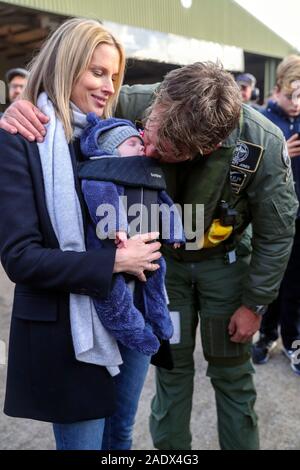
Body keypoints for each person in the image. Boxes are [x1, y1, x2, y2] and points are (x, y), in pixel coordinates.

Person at [0, 62, 298, 451]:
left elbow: (277, 233)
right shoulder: (130, 101)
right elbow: (62, 111)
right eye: (148, 135)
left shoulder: (263, 143)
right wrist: (22, 107)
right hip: (156, 265)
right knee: (170, 370)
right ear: (158, 101)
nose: (149, 151)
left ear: (205, 149)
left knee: (231, 373)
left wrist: (254, 304)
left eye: (169, 152)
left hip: (221, 264)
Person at [0, 18, 162, 451]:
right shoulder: (22, 137)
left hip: (130, 314)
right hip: (67, 332)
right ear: (65, 65)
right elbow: (20, 257)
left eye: (114, 75)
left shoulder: (112, 135)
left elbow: (181, 102)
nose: (109, 86)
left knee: (121, 437)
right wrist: (113, 262)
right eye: (97, 72)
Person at [78, 113, 186, 355]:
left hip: (146, 247)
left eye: (140, 142)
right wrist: (116, 226)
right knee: (112, 293)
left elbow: (165, 203)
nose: (141, 148)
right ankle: (130, 329)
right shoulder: (102, 171)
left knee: (157, 275)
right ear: (111, 150)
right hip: (110, 251)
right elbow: (101, 196)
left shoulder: (147, 172)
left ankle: (159, 320)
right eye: (132, 144)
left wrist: (175, 232)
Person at [252, 55, 300, 375]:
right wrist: (279, 148)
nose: (296, 103)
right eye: (291, 95)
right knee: (273, 283)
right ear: (275, 90)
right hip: (271, 220)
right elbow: (244, 171)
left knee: (296, 285)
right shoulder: (261, 122)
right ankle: (268, 333)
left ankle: (293, 341)